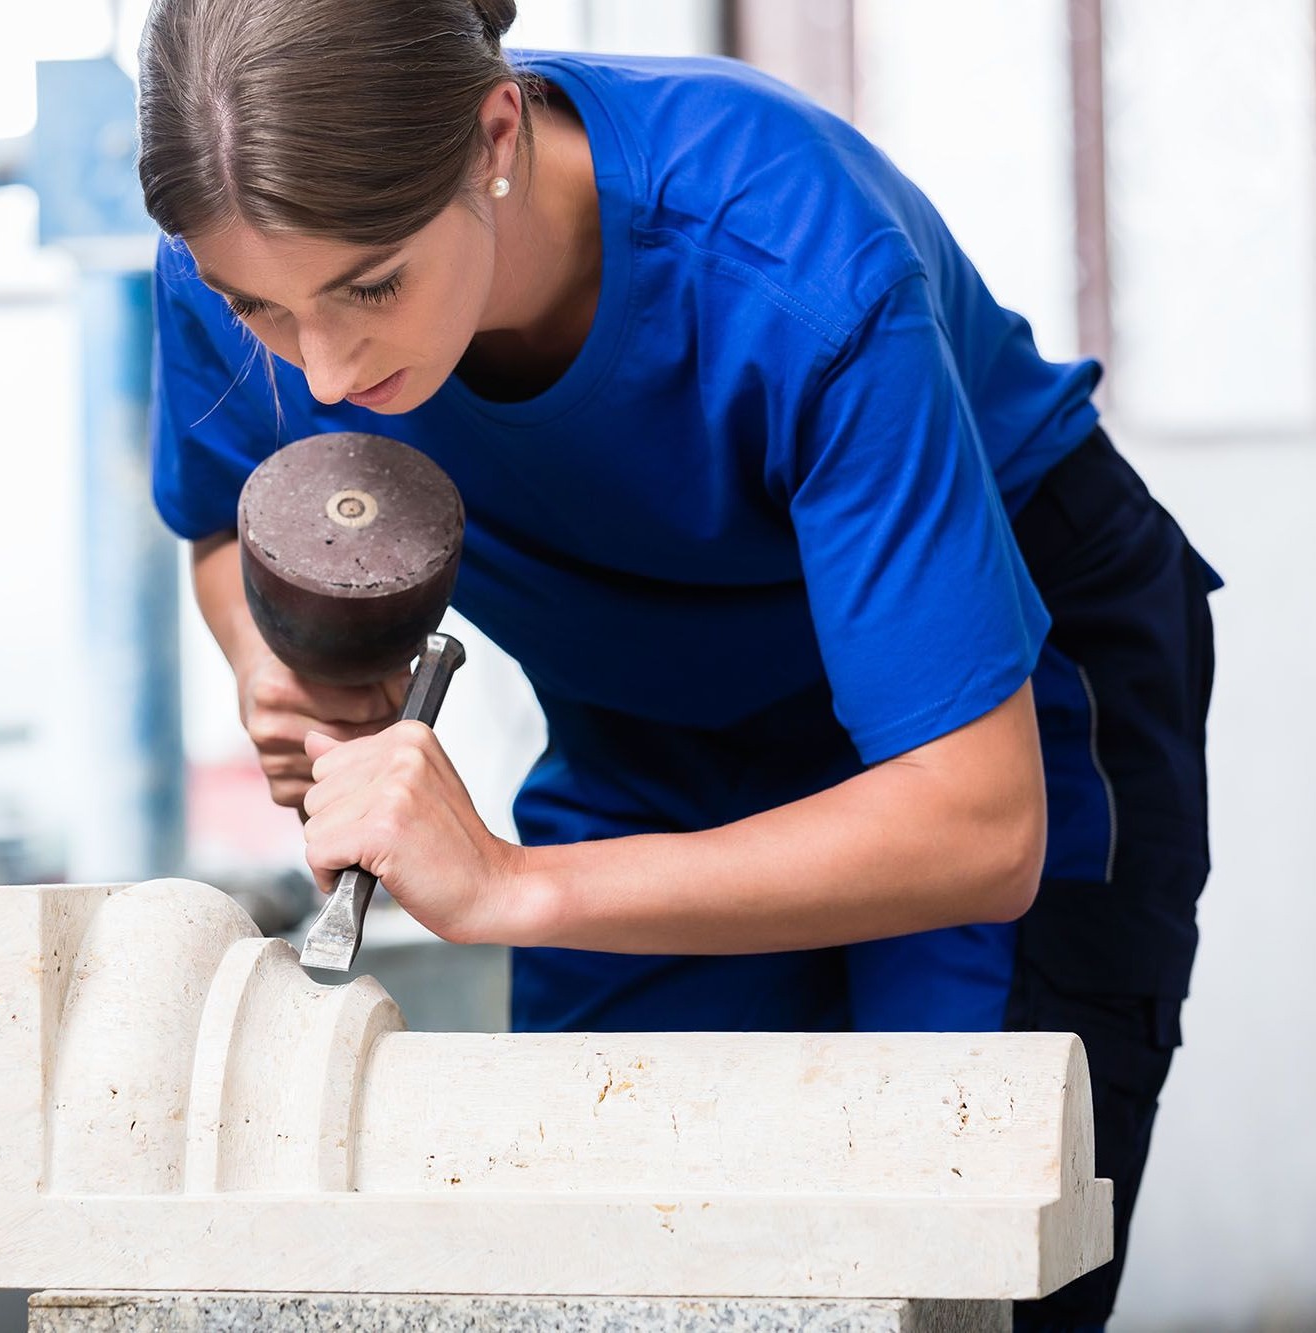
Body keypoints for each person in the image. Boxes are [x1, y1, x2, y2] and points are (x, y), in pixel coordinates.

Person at [135, 2, 1217, 1328]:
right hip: (650, 719)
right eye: (262, 309)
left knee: (951, 1230)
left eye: (370, 285)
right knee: (621, 1255)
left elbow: (976, 825)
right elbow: (219, 511)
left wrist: (513, 882)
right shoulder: (226, 256)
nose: (324, 364)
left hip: (997, 699)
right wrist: (277, 658)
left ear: (493, 134)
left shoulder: (787, 252)